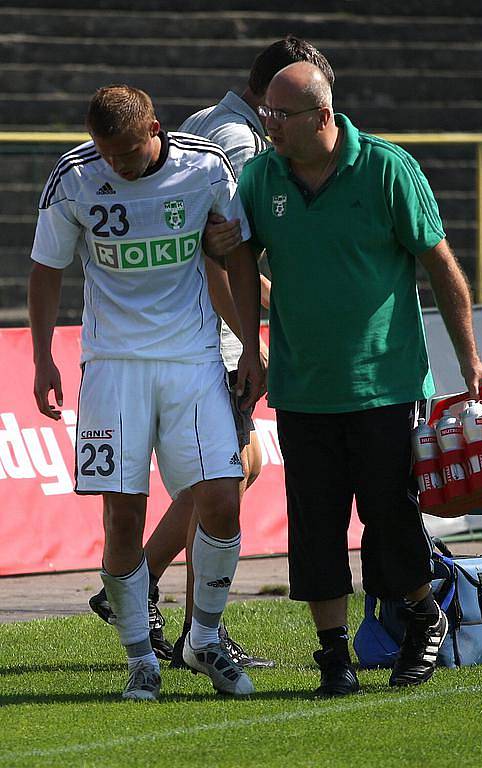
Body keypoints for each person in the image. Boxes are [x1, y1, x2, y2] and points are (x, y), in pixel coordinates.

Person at [217, 62, 482, 696]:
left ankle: (425, 615)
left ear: (322, 116)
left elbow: (441, 266)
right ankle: (332, 656)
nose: (269, 126)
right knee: (314, 523)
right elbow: (238, 259)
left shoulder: (386, 168)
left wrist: (469, 359)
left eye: (281, 116)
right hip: (302, 388)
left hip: (387, 383)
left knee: (390, 517)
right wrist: (251, 350)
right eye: (266, 113)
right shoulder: (263, 177)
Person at [87, 37, 335, 671]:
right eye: (287, 107)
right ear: (270, 97)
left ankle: (145, 593)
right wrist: (280, 314)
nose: (286, 124)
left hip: (201, 332)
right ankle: (186, 622)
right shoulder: (241, 141)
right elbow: (215, 247)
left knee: (231, 475)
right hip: (207, 337)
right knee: (220, 479)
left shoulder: (204, 123)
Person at [28, 85, 263, 701]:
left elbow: (235, 255)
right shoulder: (73, 176)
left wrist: (254, 348)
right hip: (112, 369)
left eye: (128, 153)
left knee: (221, 498)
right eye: (108, 154)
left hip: (191, 361)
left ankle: (204, 638)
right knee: (122, 514)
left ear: (154, 128)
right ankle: (140, 657)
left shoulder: (206, 164)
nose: (119, 166)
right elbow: (46, 269)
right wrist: (42, 359)